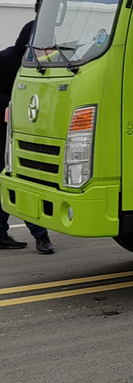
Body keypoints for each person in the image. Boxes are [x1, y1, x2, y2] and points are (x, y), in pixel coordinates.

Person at [0, 21, 54, 254]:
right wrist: (8, 105)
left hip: (25, 129)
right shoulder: (7, 59)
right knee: (18, 179)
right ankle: (41, 236)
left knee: (13, 179)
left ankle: (2, 233)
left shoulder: (40, 64)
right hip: (4, 131)